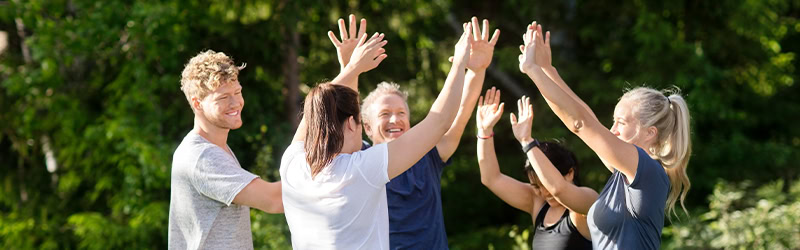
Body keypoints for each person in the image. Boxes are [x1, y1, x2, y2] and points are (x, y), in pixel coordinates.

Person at [279, 16, 473, 249]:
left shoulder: (292, 165)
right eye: (361, 121)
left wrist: (351, 69)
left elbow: (315, 114)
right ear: (353, 124)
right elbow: (440, 121)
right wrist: (460, 62)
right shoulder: (360, 170)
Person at [517, 22, 692, 249]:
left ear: (650, 133)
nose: (612, 130)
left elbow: (581, 123)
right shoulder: (623, 173)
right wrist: (548, 70)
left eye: (621, 122)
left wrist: (533, 70)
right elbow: (587, 118)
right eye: (613, 121)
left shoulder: (647, 169)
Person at [329, 15, 498, 249]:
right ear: (366, 127)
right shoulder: (359, 160)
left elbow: (461, 112)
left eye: (401, 113)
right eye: (385, 114)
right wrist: (350, 70)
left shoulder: (428, 155)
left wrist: (477, 70)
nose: (395, 119)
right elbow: (344, 122)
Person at [168, 50, 284, 250]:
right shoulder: (202, 157)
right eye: (223, 97)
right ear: (197, 103)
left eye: (237, 92)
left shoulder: (216, 148)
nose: (235, 103)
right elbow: (275, 200)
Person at [475, 88, 596, 249]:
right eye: (537, 187)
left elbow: (559, 189)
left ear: (570, 173)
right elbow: (490, 178)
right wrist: (484, 131)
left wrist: (526, 141)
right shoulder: (537, 202)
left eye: (545, 184)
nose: (544, 192)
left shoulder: (587, 201)